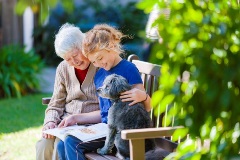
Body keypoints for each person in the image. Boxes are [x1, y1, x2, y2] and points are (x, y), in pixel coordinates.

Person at [57, 24, 151, 160]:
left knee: (73, 143)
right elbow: (103, 113)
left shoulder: (128, 69)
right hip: (104, 128)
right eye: (94, 62)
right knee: (61, 145)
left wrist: (144, 97)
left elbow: (145, 109)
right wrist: (75, 118)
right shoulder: (100, 74)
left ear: (112, 47)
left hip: (121, 133)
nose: (98, 64)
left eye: (100, 58)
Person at [35, 23, 102, 160]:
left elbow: (108, 109)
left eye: (75, 55)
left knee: (61, 145)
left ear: (83, 45)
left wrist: (77, 119)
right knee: (44, 144)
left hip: (92, 126)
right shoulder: (63, 69)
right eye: (68, 59)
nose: (74, 61)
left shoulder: (100, 65)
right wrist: (50, 121)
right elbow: (55, 103)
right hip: (66, 124)